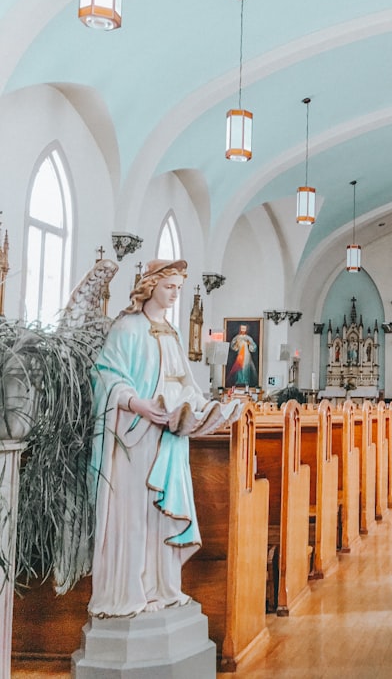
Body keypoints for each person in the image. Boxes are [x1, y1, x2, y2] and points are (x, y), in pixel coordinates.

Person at [88, 259, 241, 618]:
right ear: (151, 285)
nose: (174, 293)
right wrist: (136, 403)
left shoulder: (171, 333)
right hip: (135, 438)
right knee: (135, 516)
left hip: (171, 438)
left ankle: (163, 588)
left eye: (178, 287)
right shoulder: (126, 328)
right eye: (169, 285)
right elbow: (105, 377)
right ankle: (132, 591)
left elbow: (185, 383)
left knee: (160, 517)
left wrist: (208, 408)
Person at [226, 323, 258, 387]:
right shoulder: (237, 337)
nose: (243, 330)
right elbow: (233, 346)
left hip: (246, 355)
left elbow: (254, 347)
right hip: (240, 354)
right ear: (240, 329)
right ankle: (239, 380)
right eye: (242, 328)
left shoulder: (248, 338)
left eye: (244, 329)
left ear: (246, 329)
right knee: (239, 367)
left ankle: (246, 381)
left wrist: (249, 344)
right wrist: (236, 345)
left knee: (246, 367)